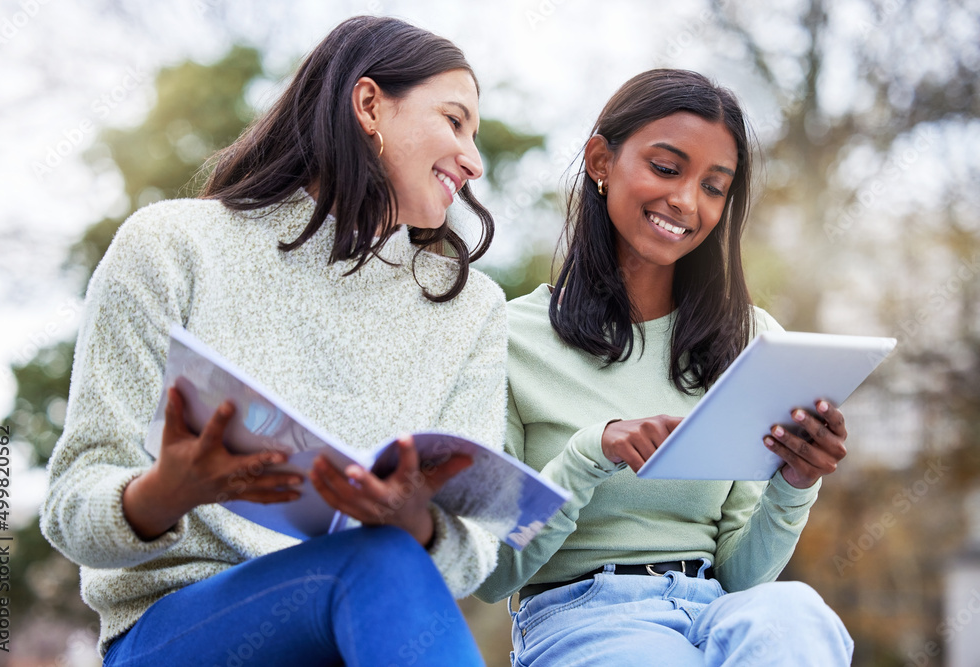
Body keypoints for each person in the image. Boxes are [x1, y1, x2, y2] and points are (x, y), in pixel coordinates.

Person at [41, 16, 506, 667]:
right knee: (376, 563)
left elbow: (474, 549)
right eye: (455, 121)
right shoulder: (171, 247)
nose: (474, 159)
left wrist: (415, 519)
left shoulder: (472, 309)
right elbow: (70, 506)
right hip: (178, 631)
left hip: (366, 624)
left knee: (386, 557)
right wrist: (165, 492)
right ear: (369, 104)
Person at [475, 69, 855, 665]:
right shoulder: (507, 338)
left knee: (798, 613)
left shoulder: (753, 343)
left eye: (714, 186)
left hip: (714, 608)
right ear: (601, 161)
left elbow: (741, 574)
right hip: (578, 617)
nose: (686, 202)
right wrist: (589, 454)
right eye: (667, 168)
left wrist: (794, 485)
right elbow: (494, 572)